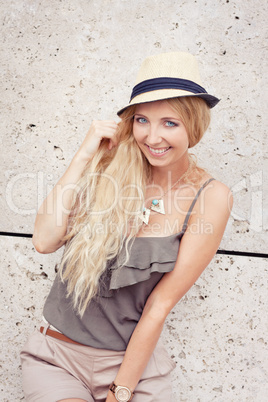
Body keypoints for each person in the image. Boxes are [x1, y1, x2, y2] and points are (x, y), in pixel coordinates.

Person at [20, 51, 233, 402]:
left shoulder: (211, 197)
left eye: (170, 122)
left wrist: (120, 392)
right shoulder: (110, 170)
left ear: (193, 127)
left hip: (134, 368)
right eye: (142, 120)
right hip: (58, 358)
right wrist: (83, 155)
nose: (152, 136)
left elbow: (159, 306)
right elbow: (44, 241)